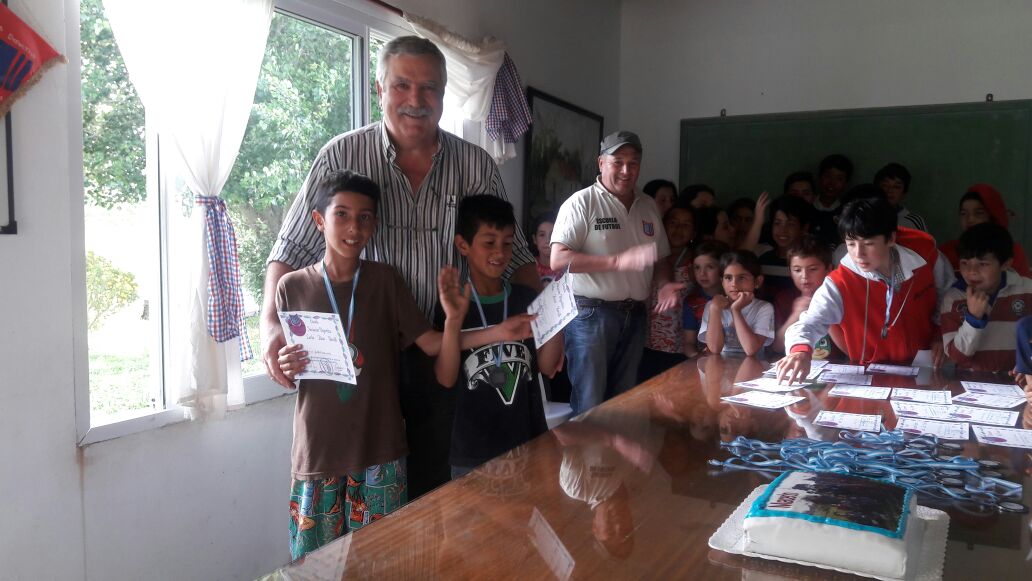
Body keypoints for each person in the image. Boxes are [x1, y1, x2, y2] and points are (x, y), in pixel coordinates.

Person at [262, 36, 540, 498]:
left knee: (440, 482)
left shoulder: (473, 163)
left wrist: (537, 329)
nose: (416, 100)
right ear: (379, 89)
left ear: (445, 94)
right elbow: (290, 246)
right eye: (402, 85)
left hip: (448, 342)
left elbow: (517, 255)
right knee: (368, 486)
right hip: (365, 346)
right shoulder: (342, 155)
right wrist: (271, 325)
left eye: (429, 88)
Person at [272, 171, 529, 558]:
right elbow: (292, 373)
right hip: (319, 452)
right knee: (316, 567)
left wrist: (496, 332)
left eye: (365, 217)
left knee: (384, 562)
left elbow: (431, 344)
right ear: (319, 220)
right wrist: (284, 364)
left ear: (375, 224)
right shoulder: (291, 286)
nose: (354, 227)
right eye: (341, 215)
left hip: (382, 450)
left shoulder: (385, 281)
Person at [551, 130, 683, 415]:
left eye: (633, 163)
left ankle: (614, 462)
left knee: (624, 405)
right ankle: (584, 461)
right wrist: (616, 262)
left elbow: (661, 257)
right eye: (617, 161)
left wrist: (664, 284)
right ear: (601, 163)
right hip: (591, 316)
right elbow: (558, 259)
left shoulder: (647, 205)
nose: (626, 170)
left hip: (635, 315)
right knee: (590, 405)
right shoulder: (581, 202)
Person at [444, 195, 562, 479]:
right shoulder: (455, 304)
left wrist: (559, 314)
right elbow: (445, 377)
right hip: (473, 449)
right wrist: (452, 322)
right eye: (489, 242)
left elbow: (547, 367)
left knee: (525, 520)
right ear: (463, 245)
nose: (499, 251)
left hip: (527, 442)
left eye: (507, 243)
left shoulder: (525, 298)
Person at [776, 198, 955, 383]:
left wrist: (941, 335)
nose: (858, 254)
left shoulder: (927, 257)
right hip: (870, 375)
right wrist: (800, 352)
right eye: (851, 244)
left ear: (891, 238)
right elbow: (808, 323)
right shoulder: (840, 281)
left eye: (868, 244)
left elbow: (947, 297)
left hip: (927, 370)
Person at [940, 223, 1032, 372]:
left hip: (1019, 386)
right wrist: (973, 319)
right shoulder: (953, 298)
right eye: (965, 263)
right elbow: (956, 357)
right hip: (970, 386)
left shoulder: (1027, 291)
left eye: (982, 264)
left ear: (1005, 264)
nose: (972, 272)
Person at [639, 205, 695, 381]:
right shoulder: (648, 256)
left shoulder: (697, 261)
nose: (679, 229)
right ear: (663, 226)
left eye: (686, 225)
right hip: (646, 343)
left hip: (681, 345)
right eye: (674, 223)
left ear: (694, 232)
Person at [938, 184, 1031, 277]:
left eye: (979, 213)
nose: (970, 219)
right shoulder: (946, 252)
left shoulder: (1013, 251)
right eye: (963, 213)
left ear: (993, 217)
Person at [773, 237, 843, 358]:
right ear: (790, 271)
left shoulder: (838, 298)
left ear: (829, 269)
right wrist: (795, 315)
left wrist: (822, 314)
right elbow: (777, 347)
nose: (804, 276)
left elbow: (848, 350)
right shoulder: (784, 299)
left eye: (813, 269)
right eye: (797, 270)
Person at [700, 250, 775, 357]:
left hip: (754, 367)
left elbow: (751, 350)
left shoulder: (764, 308)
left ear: (757, 281)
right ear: (722, 281)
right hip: (720, 366)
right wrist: (715, 310)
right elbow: (715, 349)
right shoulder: (713, 306)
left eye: (742, 278)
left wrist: (736, 310)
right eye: (728, 278)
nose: (734, 284)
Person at [758, 195, 814, 301]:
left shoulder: (810, 263)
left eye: (790, 224)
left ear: (804, 227)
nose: (783, 230)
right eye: (777, 223)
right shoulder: (764, 260)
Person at [682, 241, 730, 357]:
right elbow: (688, 343)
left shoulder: (735, 297)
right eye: (697, 268)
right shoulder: (692, 302)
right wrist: (698, 358)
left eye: (710, 267)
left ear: (722, 268)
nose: (702, 273)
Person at [811, 154, 853, 247]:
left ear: (846, 183)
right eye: (828, 176)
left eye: (839, 179)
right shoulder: (808, 207)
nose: (832, 183)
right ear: (820, 177)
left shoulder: (847, 212)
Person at [874, 162, 927, 232]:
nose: (890, 190)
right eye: (885, 185)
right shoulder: (864, 217)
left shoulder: (912, 221)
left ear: (903, 193)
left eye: (896, 187)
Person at [531, 212, 562, 285]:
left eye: (553, 234)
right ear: (534, 239)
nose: (548, 240)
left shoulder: (568, 268)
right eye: (542, 235)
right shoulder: (529, 268)